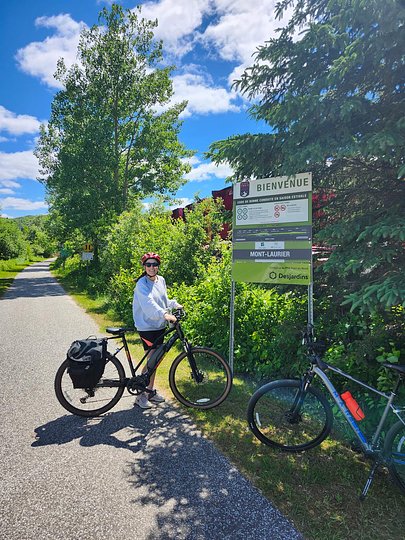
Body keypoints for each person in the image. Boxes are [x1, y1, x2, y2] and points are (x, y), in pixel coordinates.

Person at [132, 252, 182, 409]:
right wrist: (165, 315)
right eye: (149, 265)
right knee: (152, 359)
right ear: (144, 267)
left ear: (158, 266)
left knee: (156, 361)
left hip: (159, 325)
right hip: (146, 326)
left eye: (154, 264)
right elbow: (149, 304)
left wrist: (175, 305)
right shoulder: (141, 284)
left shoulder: (161, 280)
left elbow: (164, 300)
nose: (152, 267)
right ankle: (141, 395)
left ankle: (150, 391)